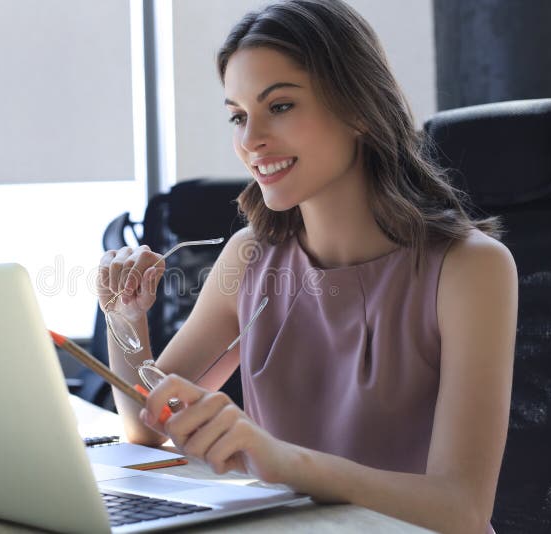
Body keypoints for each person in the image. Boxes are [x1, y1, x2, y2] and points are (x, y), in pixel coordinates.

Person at [96, 1, 517, 533]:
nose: (250, 141)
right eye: (238, 115)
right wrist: (124, 317)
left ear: (358, 108)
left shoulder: (470, 268)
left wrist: (287, 463)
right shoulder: (250, 258)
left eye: (281, 106)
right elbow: (147, 425)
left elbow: (462, 508)